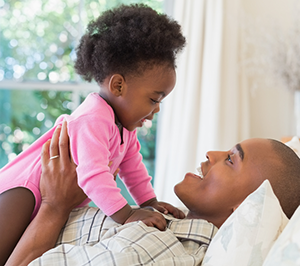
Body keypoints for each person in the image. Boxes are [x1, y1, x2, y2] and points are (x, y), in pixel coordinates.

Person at [0, 4, 187, 265]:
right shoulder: (94, 118)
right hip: (20, 191)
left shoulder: (123, 128)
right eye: (154, 99)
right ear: (118, 85)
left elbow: (133, 168)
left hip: (43, 196)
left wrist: (149, 201)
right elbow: (93, 175)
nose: (155, 110)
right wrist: (126, 214)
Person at [5, 122, 300, 266]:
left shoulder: (160, 249)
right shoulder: (162, 223)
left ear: (245, 206)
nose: (212, 153)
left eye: (231, 159)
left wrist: (55, 206)